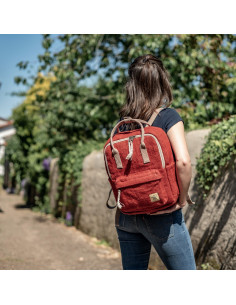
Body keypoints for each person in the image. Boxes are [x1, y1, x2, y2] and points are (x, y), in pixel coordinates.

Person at [114, 54, 196, 270]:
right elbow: (184, 162)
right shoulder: (169, 116)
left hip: (126, 216)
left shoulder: (122, 124)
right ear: (162, 81)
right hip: (162, 214)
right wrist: (181, 200)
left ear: (131, 85)